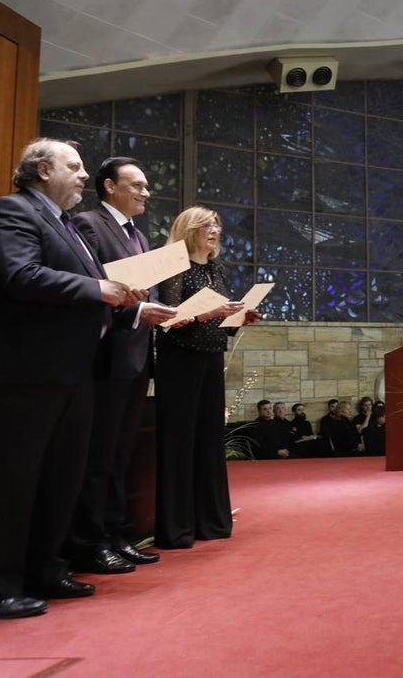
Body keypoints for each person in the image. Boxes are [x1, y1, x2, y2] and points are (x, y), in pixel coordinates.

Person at [0, 138, 145, 619]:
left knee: (61, 479)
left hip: (74, 372)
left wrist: (120, 299)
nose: (85, 175)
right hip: (25, 372)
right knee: (12, 482)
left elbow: (83, 291)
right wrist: (97, 288)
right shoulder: (10, 211)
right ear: (43, 170)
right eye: (75, 166)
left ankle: (45, 568)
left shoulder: (68, 226)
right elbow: (18, 275)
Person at [66, 156, 176, 576]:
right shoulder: (90, 224)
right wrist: (136, 309)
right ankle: (90, 541)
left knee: (118, 453)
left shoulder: (140, 236)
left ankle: (115, 534)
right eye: (138, 185)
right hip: (106, 355)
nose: (146, 192)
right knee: (99, 455)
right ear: (109, 186)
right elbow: (95, 288)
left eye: (146, 186)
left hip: (135, 356)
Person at [154, 206, 259, 549]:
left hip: (211, 357)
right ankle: (177, 527)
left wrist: (237, 319)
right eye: (206, 226)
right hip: (180, 361)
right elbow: (169, 323)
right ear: (189, 230)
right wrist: (209, 313)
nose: (214, 231)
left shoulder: (215, 268)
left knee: (209, 439)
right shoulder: (175, 267)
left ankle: (210, 521)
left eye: (216, 226)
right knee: (180, 441)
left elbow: (216, 318)